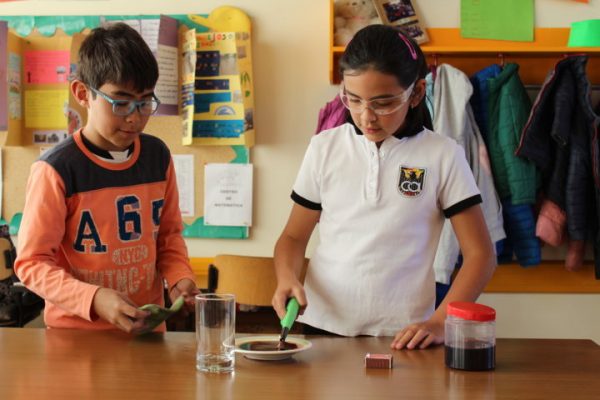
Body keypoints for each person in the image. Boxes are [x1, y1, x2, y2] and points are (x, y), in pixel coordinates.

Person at [272, 24, 496, 350]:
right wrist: (287, 278)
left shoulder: (443, 154)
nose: (367, 116)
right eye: (354, 100)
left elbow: (481, 255)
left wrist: (439, 322)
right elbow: (293, 237)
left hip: (405, 337)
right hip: (322, 328)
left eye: (383, 103)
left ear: (416, 93)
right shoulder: (324, 147)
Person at [14, 23, 198, 333]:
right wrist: (94, 298)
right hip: (77, 338)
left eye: (144, 102)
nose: (134, 117)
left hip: (147, 333)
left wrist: (179, 275)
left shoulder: (157, 157)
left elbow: (168, 236)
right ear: (82, 94)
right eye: (120, 102)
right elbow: (31, 264)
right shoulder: (56, 169)